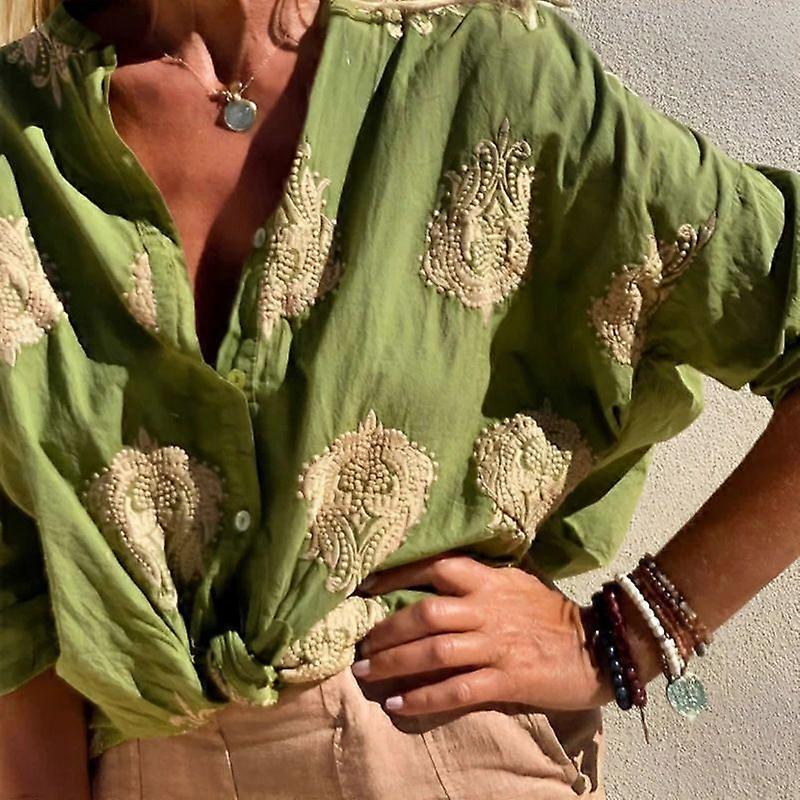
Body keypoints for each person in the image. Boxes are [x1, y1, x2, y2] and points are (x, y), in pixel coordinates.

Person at [0, 0, 798, 797]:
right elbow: (20, 623)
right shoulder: (17, 135)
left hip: (429, 743)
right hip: (134, 766)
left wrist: (627, 638)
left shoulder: (484, 68)